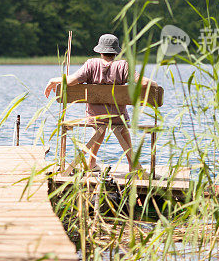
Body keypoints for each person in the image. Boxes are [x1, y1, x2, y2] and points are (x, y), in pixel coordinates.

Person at [43, 34, 155, 172]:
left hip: (95, 117)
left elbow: (72, 81)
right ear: (116, 52)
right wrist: (155, 85)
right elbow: (144, 83)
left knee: (99, 125)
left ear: (100, 51)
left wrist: (55, 80)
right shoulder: (123, 66)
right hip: (118, 117)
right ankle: (132, 165)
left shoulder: (91, 64)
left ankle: (91, 163)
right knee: (122, 127)